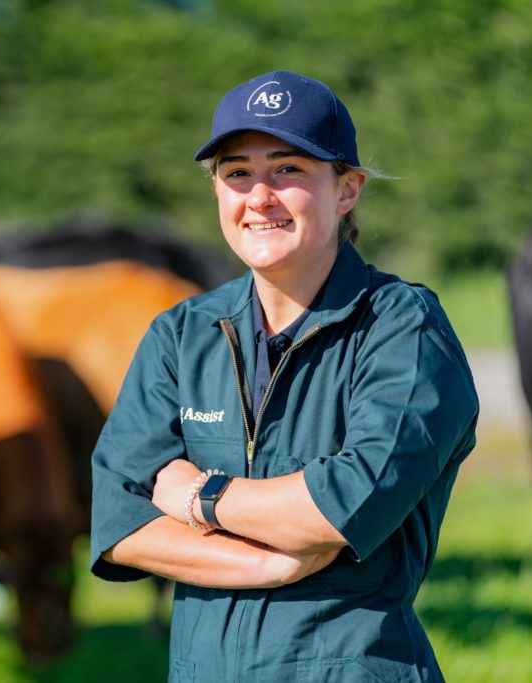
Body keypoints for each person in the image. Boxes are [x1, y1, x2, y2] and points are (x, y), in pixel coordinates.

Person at [89, 69, 479, 682]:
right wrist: (270, 565)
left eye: (288, 169)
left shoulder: (405, 327)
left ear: (347, 189)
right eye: (237, 172)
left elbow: (341, 507)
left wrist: (199, 496)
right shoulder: (181, 334)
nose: (259, 196)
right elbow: (118, 527)